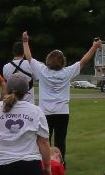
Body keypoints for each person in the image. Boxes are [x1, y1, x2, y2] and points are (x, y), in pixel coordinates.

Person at [23, 32, 99, 162]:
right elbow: (84, 61)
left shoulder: (42, 71)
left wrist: (25, 41)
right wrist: (94, 47)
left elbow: (29, 58)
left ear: (48, 60)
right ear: (63, 61)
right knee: (60, 141)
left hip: (45, 111)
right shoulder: (67, 72)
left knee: (45, 139)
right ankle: (61, 164)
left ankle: (45, 163)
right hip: (62, 111)